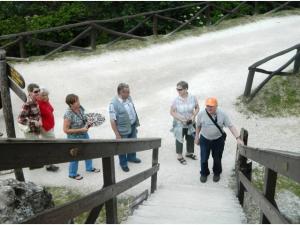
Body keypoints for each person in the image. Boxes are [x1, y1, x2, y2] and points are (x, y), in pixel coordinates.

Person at [195, 97, 243, 183]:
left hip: (218, 140)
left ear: (216, 106)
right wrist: (196, 136)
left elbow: (230, 126)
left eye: (211, 106)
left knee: (217, 158)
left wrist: (238, 138)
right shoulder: (201, 114)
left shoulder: (222, 114)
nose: (209, 108)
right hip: (205, 139)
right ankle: (204, 173)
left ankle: (217, 172)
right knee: (204, 158)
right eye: (208, 106)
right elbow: (198, 126)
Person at [63, 94, 100, 180]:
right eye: (76, 102)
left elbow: (84, 118)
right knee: (75, 156)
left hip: (84, 135)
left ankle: (89, 168)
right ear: (71, 104)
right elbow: (65, 130)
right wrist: (81, 130)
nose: (78, 103)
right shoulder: (68, 114)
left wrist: (89, 122)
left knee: (88, 151)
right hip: (74, 138)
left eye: (78, 100)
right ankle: (72, 174)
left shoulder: (80, 108)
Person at [109, 83, 141, 172]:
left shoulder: (128, 98)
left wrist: (134, 123)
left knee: (133, 143)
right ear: (120, 92)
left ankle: (131, 157)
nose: (128, 94)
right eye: (126, 92)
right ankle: (123, 163)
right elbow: (112, 121)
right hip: (122, 130)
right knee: (122, 147)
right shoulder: (113, 104)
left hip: (133, 126)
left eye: (129, 92)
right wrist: (117, 134)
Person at [170, 81, 199, 165]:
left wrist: (193, 116)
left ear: (186, 89)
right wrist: (181, 119)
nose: (178, 91)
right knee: (179, 138)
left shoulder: (193, 97)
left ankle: (189, 153)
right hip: (180, 123)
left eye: (180, 89)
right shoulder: (176, 100)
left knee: (190, 137)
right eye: (177, 89)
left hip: (190, 122)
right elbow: (172, 112)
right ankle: (179, 156)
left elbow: (197, 108)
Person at [37, 88, 59, 172]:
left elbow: (51, 110)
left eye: (46, 95)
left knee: (48, 145)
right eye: (43, 95)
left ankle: (48, 163)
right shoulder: (38, 104)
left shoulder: (46, 101)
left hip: (50, 126)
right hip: (45, 128)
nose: (45, 96)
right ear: (39, 96)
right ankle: (48, 165)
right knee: (51, 145)